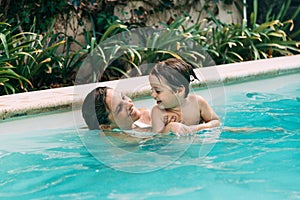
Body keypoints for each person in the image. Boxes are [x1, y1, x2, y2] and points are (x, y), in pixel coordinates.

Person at [149, 57, 220, 134]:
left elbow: (215, 122)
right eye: (151, 89)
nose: (152, 95)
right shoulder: (158, 112)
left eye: (158, 91)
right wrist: (169, 127)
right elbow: (158, 138)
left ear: (179, 90)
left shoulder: (197, 102)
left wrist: (194, 128)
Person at [82, 86, 151, 132]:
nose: (129, 104)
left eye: (123, 97)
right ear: (106, 127)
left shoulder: (147, 115)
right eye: (119, 108)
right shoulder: (120, 144)